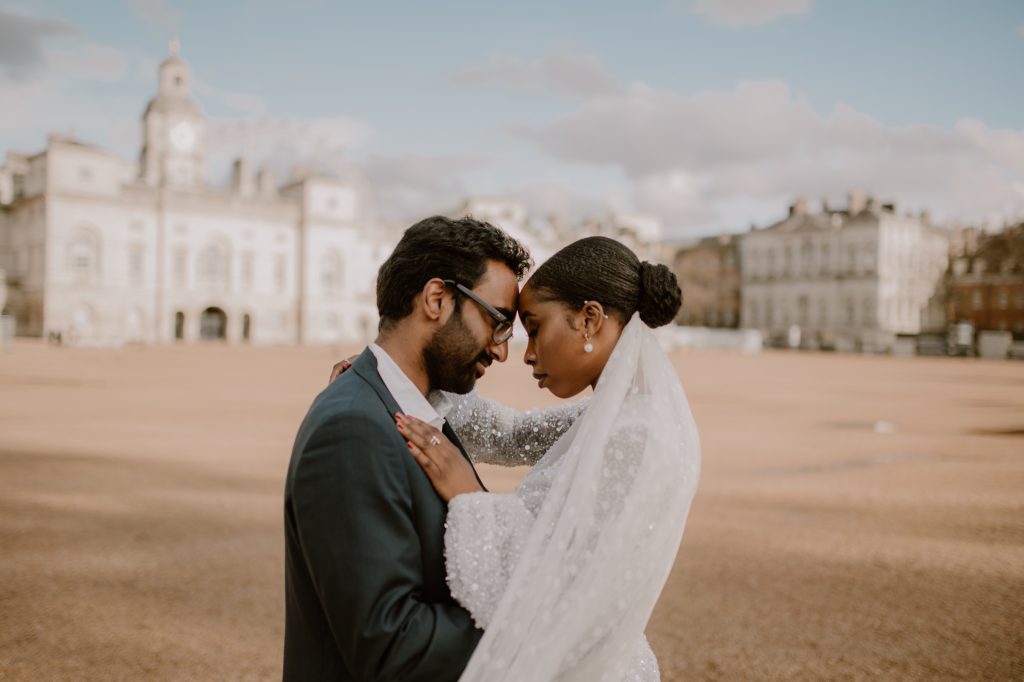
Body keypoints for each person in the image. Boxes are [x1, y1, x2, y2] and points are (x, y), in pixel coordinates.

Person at [333, 236, 701, 681]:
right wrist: (398, 379)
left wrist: (468, 491)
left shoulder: (639, 436)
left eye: (536, 327)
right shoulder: (620, 414)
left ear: (589, 319)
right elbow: (512, 435)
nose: (524, 354)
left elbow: (560, 585)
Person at [282, 215, 534, 681]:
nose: (502, 351)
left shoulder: (413, 406)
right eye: (498, 322)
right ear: (437, 299)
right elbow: (392, 648)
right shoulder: (352, 430)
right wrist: (540, 623)